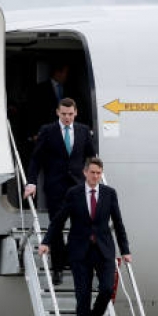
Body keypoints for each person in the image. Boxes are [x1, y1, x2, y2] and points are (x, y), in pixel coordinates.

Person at [38, 158, 132, 316]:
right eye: (92, 172)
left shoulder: (109, 194)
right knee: (83, 297)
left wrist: (125, 250)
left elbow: (118, 222)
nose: (96, 176)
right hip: (80, 252)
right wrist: (46, 242)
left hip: (104, 250)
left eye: (99, 173)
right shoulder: (74, 194)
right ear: (85, 173)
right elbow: (59, 220)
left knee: (107, 288)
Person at [24, 97, 95, 284]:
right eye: (63, 114)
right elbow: (36, 160)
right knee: (56, 226)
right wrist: (31, 183)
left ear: (76, 113)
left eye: (70, 114)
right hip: (55, 186)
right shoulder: (47, 131)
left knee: (80, 226)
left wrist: (93, 178)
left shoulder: (83, 131)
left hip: (78, 185)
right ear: (57, 112)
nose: (67, 118)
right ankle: (57, 268)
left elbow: (91, 156)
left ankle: (70, 259)